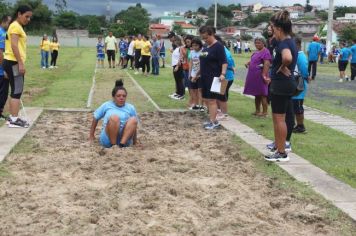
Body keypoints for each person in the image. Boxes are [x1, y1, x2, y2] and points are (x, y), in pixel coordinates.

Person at [264, 10, 298, 162]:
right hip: (283, 85)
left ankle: (282, 152)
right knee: (278, 118)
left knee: (279, 119)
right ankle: (279, 148)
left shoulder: (284, 43)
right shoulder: (289, 41)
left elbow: (287, 58)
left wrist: (281, 67)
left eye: (273, 27)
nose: (272, 31)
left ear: (278, 28)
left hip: (282, 85)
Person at [3, 5, 32, 128]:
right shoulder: (15, 26)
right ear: (19, 14)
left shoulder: (16, 26)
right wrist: (20, 63)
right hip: (14, 62)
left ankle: (12, 117)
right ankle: (14, 119)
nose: (28, 19)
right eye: (26, 16)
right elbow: (14, 46)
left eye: (30, 17)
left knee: (15, 89)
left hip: (10, 62)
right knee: (17, 90)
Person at [89, 80, 138, 148]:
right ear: (113, 97)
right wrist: (91, 135)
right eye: (118, 96)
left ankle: (121, 145)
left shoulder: (130, 107)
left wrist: (135, 141)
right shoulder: (107, 105)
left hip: (124, 139)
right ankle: (114, 146)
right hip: (108, 138)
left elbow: (134, 126)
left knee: (133, 119)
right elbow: (95, 117)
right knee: (114, 118)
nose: (121, 98)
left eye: (124, 96)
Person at [199, 25, 227, 130]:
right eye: (203, 38)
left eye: (206, 37)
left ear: (212, 34)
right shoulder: (206, 47)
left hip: (214, 77)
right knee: (206, 99)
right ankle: (212, 119)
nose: (205, 40)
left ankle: (214, 122)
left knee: (212, 100)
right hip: (204, 77)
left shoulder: (218, 46)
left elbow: (224, 62)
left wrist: (223, 74)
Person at [243, 37, 271, 118]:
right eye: (256, 43)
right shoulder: (257, 51)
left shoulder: (266, 51)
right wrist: (248, 63)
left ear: (263, 43)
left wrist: (264, 75)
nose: (257, 44)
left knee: (263, 94)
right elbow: (254, 60)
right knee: (256, 94)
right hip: (253, 75)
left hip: (260, 75)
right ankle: (257, 110)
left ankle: (265, 112)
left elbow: (267, 64)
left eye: (259, 43)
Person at [292, 37, 310, 133]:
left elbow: (303, 71)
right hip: (296, 83)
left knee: (298, 105)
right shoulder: (295, 55)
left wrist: (305, 78)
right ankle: (295, 124)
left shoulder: (300, 56)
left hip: (299, 84)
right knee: (294, 105)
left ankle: (300, 126)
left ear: (298, 45)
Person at [216, 36, 236, 120]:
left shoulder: (223, 51)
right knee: (219, 94)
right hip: (224, 75)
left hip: (226, 76)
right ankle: (219, 111)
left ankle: (223, 113)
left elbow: (227, 62)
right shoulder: (221, 50)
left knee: (221, 95)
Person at [0, 15, 11, 121]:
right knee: (3, 92)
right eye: (9, 22)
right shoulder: (2, 34)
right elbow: (1, 52)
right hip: (1, 70)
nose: (10, 25)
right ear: (3, 22)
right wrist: (4, 69)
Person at [188, 37, 203, 110]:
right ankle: (195, 104)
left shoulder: (203, 52)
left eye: (196, 45)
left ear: (200, 45)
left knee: (200, 90)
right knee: (193, 90)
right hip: (193, 74)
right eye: (193, 45)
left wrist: (197, 75)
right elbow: (191, 62)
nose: (194, 47)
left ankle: (201, 105)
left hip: (200, 75)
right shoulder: (192, 52)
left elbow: (203, 65)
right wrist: (189, 73)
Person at [169, 36, 184, 100]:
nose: (174, 42)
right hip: (175, 65)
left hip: (178, 66)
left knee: (179, 80)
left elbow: (181, 58)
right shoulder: (177, 48)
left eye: (175, 40)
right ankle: (177, 93)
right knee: (177, 80)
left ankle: (181, 94)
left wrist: (177, 66)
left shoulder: (181, 48)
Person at [181, 35, 193, 105]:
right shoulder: (184, 48)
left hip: (192, 70)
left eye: (188, 42)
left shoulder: (194, 49)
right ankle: (191, 100)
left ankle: (193, 101)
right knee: (188, 86)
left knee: (193, 87)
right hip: (186, 68)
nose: (187, 43)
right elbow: (184, 57)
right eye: (186, 42)